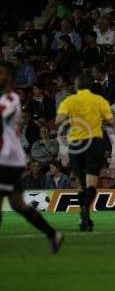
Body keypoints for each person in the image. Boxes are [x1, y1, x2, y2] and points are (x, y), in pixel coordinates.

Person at [0, 61, 63, 253]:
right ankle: (53, 234)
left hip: (7, 158)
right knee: (17, 204)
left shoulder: (12, 99)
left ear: (9, 77)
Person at [56, 73, 114, 232]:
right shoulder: (99, 100)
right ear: (90, 86)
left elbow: (58, 121)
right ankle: (85, 212)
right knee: (91, 183)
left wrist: (73, 119)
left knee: (80, 184)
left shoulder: (69, 100)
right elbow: (111, 121)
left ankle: (84, 217)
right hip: (95, 142)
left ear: (76, 86)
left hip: (77, 144)